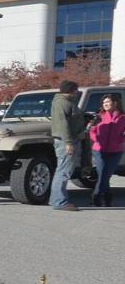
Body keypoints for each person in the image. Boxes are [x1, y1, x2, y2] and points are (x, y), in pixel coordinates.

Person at [50, 80, 86, 211]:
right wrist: (69, 143)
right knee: (63, 172)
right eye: (75, 90)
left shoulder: (67, 102)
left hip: (68, 140)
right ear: (71, 90)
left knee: (62, 171)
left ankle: (57, 200)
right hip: (65, 141)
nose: (77, 92)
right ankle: (60, 202)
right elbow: (63, 124)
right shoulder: (62, 103)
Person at [88, 94, 125, 206]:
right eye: (104, 103)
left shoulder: (122, 117)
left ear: (115, 103)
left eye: (108, 102)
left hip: (116, 151)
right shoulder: (99, 116)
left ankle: (101, 195)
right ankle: (99, 197)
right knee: (103, 172)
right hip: (99, 150)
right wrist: (96, 140)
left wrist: (120, 140)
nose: (105, 104)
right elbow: (92, 131)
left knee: (106, 174)